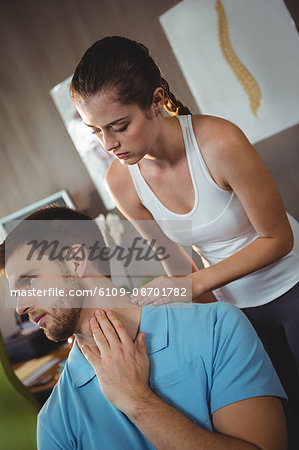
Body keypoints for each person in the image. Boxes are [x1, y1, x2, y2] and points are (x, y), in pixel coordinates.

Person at [69, 36, 299, 420]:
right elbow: (179, 270)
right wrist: (219, 322)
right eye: (96, 131)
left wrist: (191, 285)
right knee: (281, 420)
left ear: (157, 101)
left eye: (119, 126)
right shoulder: (122, 182)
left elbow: (279, 239)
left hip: (292, 286)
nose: (109, 143)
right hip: (235, 307)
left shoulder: (219, 141)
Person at [0, 206, 288, 449]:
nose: (20, 307)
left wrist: (138, 402)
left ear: (76, 260)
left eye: (29, 280)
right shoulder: (54, 421)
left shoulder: (218, 326)